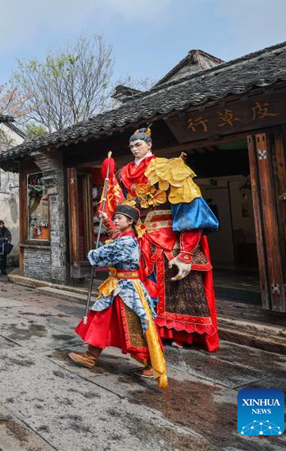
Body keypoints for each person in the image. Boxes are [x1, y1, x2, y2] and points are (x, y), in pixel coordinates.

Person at [98, 127, 220, 351]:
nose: (135, 149)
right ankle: (145, 329)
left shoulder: (167, 167)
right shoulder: (123, 173)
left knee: (176, 286)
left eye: (138, 145)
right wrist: (111, 219)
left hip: (167, 238)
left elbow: (189, 209)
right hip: (138, 236)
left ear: (149, 144)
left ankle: (178, 333)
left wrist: (186, 252)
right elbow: (120, 206)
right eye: (131, 146)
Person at [70, 204, 168, 390]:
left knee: (135, 326)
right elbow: (115, 236)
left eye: (119, 218)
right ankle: (90, 356)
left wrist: (93, 254)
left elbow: (105, 254)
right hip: (118, 286)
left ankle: (149, 364)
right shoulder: (125, 237)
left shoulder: (127, 242)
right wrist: (105, 219)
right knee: (103, 319)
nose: (115, 221)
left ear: (130, 222)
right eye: (114, 218)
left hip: (127, 289)